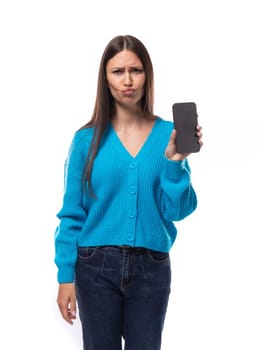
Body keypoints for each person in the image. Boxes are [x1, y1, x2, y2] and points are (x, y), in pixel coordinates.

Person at [54, 34, 203, 350]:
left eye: (135, 70)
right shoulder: (85, 141)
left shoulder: (167, 135)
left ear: (147, 74)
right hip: (95, 267)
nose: (127, 81)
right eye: (117, 71)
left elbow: (178, 210)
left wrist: (175, 162)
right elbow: (71, 214)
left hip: (151, 267)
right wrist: (65, 275)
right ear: (105, 79)